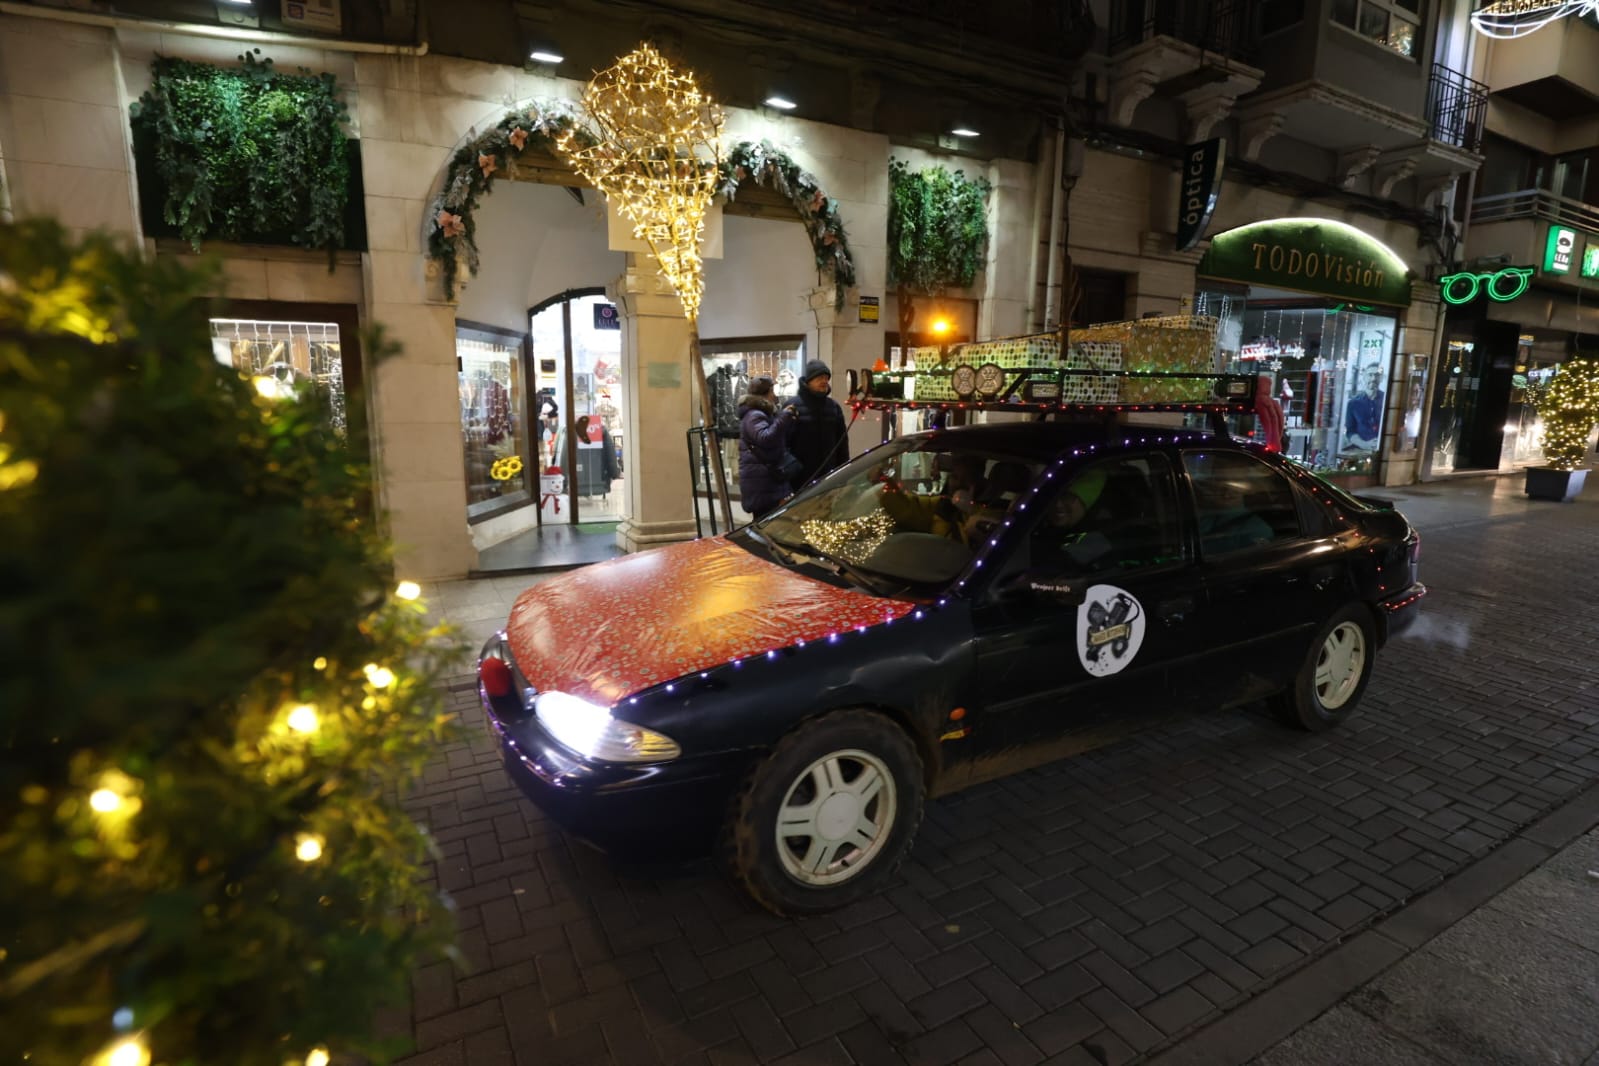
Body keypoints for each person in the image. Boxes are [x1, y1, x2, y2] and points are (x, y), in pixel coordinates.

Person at [736, 377, 798, 519]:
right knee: (764, 522)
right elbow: (766, 438)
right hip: (761, 481)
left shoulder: (763, 413)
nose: (775, 394)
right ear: (767, 392)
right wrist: (784, 417)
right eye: (772, 390)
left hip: (765, 478)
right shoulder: (754, 415)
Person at [784, 360, 850, 492]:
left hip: (828, 477)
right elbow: (781, 443)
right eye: (820, 378)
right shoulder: (792, 406)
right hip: (799, 479)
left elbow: (842, 443)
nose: (824, 381)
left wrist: (843, 471)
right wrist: (790, 469)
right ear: (808, 381)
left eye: (826, 378)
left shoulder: (833, 407)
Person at [1344, 363, 1385, 450]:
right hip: (1360, 450)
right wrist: (1364, 444)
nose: (1373, 379)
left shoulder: (1387, 400)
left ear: (1381, 378)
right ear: (1364, 377)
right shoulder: (1353, 403)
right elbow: (1350, 431)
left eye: (1377, 375)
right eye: (1370, 375)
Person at [1254, 373, 1285, 452]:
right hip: (1273, 438)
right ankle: (1274, 444)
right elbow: (1279, 420)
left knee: (1270, 425)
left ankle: (1273, 444)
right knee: (1271, 426)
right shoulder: (1272, 402)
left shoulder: (1260, 399)